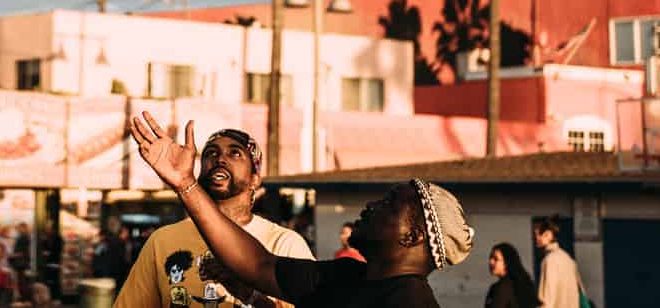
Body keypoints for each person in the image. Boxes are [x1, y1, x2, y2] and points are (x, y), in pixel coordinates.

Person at [128, 111, 474, 308]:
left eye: (387, 204)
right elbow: (259, 265)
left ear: (412, 234)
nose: (371, 206)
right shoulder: (344, 277)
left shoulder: (409, 304)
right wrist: (185, 184)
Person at [114, 126, 313, 308]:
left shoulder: (285, 244)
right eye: (211, 153)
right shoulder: (162, 241)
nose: (220, 159)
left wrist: (249, 294)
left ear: (255, 178)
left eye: (235, 153)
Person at [532, 218, 585, 308]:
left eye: (537, 234)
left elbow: (548, 300)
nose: (535, 239)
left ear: (548, 235)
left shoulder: (549, 260)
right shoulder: (569, 260)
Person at [485, 243, 540, 308]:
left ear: (506, 262)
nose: (491, 262)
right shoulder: (521, 284)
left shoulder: (502, 288)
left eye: (495, 259)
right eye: (490, 257)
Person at [92, 217, 130, 283]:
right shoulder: (116, 242)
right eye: (126, 232)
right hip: (111, 273)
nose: (127, 234)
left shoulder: (111, 242)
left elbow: (97, 254)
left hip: (108, 273)